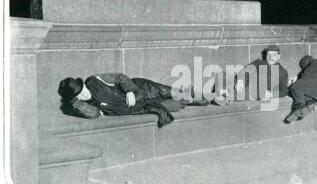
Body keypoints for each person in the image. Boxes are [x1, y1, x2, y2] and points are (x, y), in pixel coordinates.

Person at [57, 72, 207, 128]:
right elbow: (93, 114)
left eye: (82, 91)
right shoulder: (88, 106)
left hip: (141, 89)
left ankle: (201, 97)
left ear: (83, 85)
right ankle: (193, 99)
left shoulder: (94, 80)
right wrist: (75, 103)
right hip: (143, 105)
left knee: (172, 92)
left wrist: (129, 91)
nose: (84, 95)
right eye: (79, 96)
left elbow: (120, 77)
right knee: (173, 105)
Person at [212, 44, 288, 105]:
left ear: (278, 56)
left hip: (255, 91)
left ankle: (221, 95)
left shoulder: (282, 72)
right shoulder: (259, 62)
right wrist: (240, 80)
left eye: (274, 55)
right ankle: (223, 94)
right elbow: (245, 71)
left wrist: (271, 94)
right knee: (221, 74)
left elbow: (284, 92)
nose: (271, 57)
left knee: (250, 91)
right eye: (269, 55)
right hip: (241, 84)